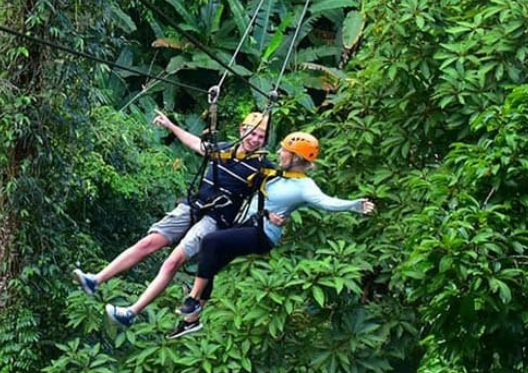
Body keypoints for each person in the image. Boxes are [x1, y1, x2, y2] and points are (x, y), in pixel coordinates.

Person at [167, 130, 375, 338]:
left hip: (262, 234)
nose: (278, 152)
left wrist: (354, 205)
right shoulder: (276, 173)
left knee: (210, 242)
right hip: (246, 225)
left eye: (284, 150)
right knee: (209, 261)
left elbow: (327, 202)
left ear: (295, 157)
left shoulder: (305, 186)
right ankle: (191, 322)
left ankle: (193, 300)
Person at [73, 110, 270, 323]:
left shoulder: (263, 167)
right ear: (242, 130)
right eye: (252, 133)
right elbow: (195, 143)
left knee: (172, 261)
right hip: (193, 206)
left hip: (216, 219)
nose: (254, 139)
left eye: (260, 137)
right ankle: (96, 280)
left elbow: (282, 187)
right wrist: (170, 126)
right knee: (148, 243)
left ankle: (131, 312)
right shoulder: (222, 149)